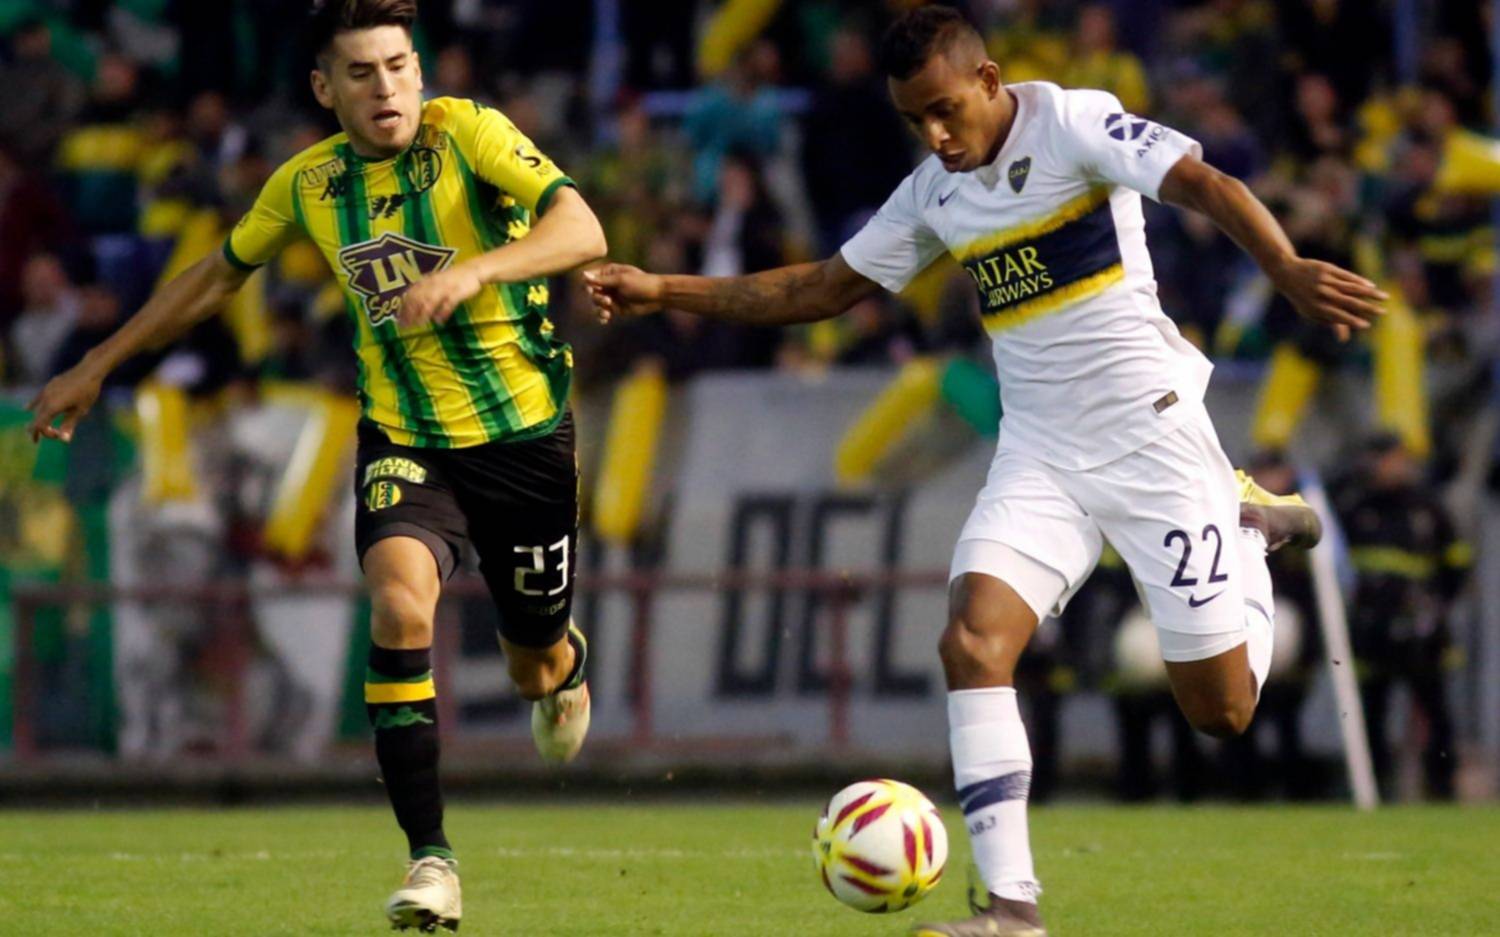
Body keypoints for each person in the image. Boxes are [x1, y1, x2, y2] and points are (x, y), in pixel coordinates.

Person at [586, 9, 1379, 935]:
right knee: (971, 643)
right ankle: (1012, 908)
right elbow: (820, 288)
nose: (935, 134)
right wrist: (664, 289)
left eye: (945, 109)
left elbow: (1203, 181)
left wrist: (1284, 265)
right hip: (1040, 452)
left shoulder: (1074, 122)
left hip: (1152, 440)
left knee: (1223, 711)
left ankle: (1248, 529)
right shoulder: (935, 193)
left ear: (990, 80)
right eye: (914, 119)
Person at [27, 1, 607, 931]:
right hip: (405, 441)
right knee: (399, 605)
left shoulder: (470, 134)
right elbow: (217, 274)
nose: (387, 88)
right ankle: (432, 860)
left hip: (525, 441)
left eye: (398, 66)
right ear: (324, 88)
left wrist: (476, 270)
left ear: (419, 70)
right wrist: (99, 362)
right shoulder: (307, 183)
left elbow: (582, 229)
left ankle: (562, 660)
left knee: (532, 665)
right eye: (362, 73)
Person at [1336, 433, 1468, 800]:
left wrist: (1435, 607)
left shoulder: (1427, 507)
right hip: (1372, 631)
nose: (1386, 466)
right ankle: (1372, 790)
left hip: (1422, 632)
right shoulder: (1355, 506)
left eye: (1391, 457)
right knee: (1371, 713)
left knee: (1435, 711)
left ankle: (1442, 788)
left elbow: (1457, 564)